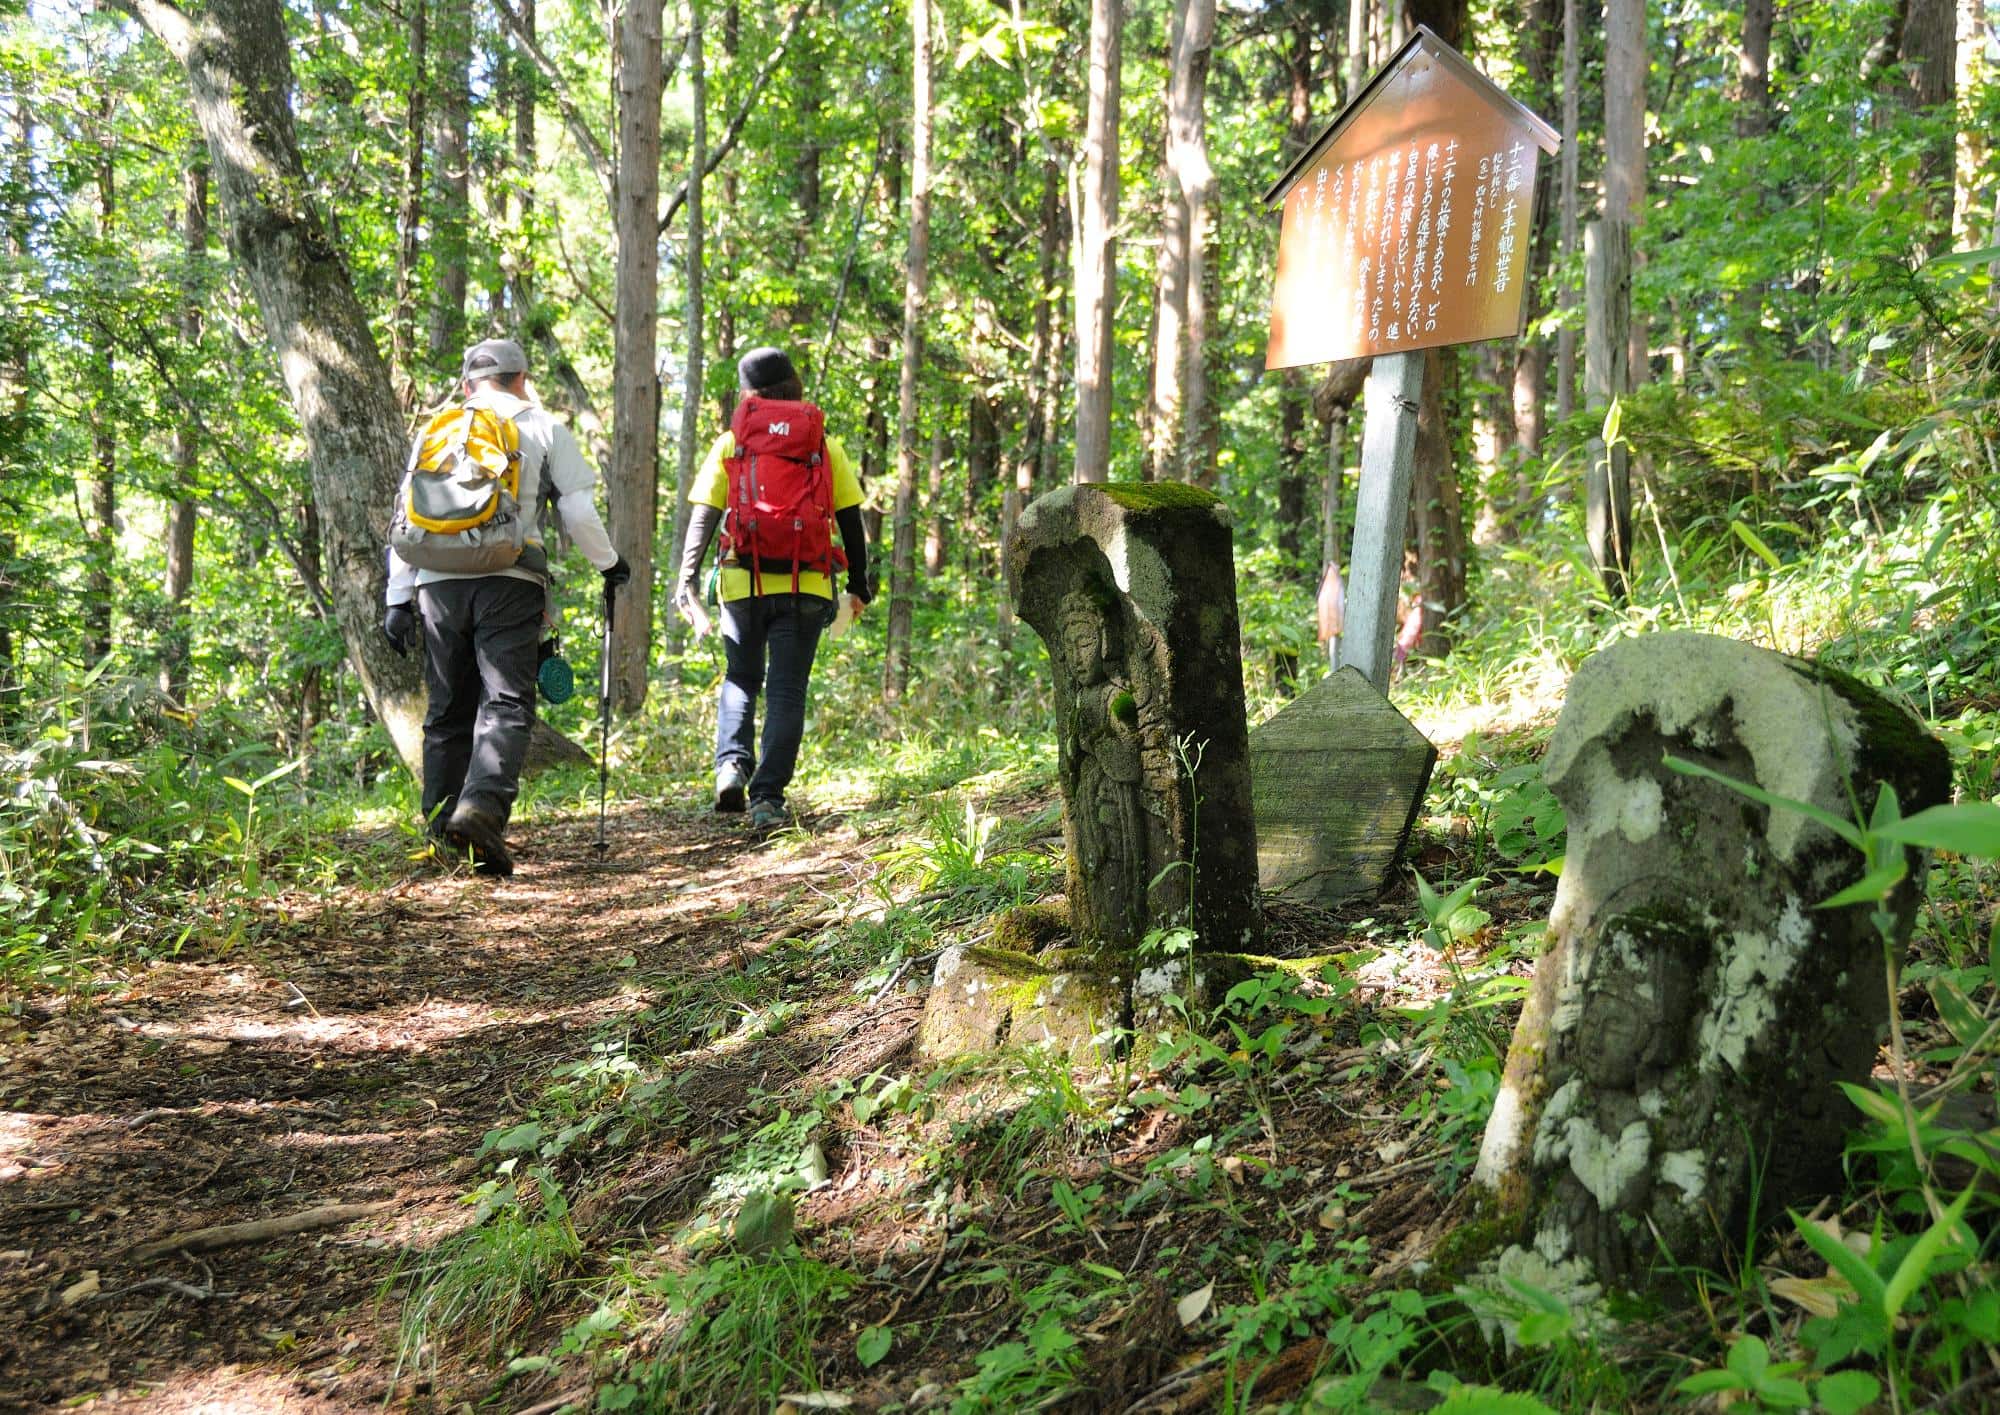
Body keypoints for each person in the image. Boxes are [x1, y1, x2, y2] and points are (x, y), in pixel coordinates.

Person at [381, 338, 629, 875]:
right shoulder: (543, 427)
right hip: (509, 579)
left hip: (436, 583)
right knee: (506, 702)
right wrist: (609, 564)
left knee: (446, 709)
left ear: (468, 384)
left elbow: (408, 513)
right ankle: (482, 810)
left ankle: (442, 834)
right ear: (522, 378)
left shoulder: (437, 429)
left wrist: (397, 597)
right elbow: (578, 512)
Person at [674, 346, 870, 832]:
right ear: (794, 387)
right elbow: (851, 521)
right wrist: (859, 585)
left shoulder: (732, 443)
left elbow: (704, 516)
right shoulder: (823, 446)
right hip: (807, 583)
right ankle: (767, 799)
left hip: (742, 580)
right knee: (786, 689)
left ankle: (730, 767)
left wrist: (687, 579)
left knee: (741, 676)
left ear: (748, 394)